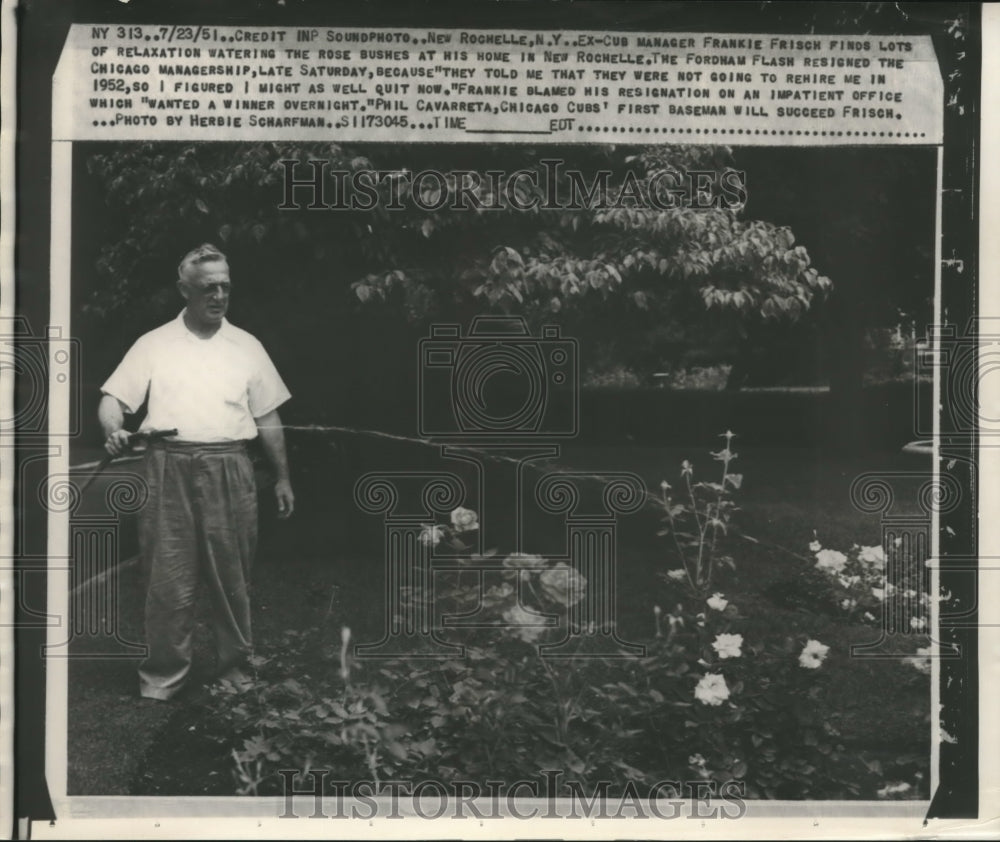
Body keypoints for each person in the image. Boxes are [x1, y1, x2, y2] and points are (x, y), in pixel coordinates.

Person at [98, 243, 295, 700]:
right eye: (208, 286)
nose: (220, 295)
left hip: (231, 467)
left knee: (233, 578)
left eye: (226, 285)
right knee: (167, 579)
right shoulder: (153, 344)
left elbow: (267, 416)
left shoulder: (247, 346)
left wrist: (283, 476)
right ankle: (163, 677)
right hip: (168, 467)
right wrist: (114, 429)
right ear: (184, 289)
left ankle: (235, 673)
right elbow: (114, 399)